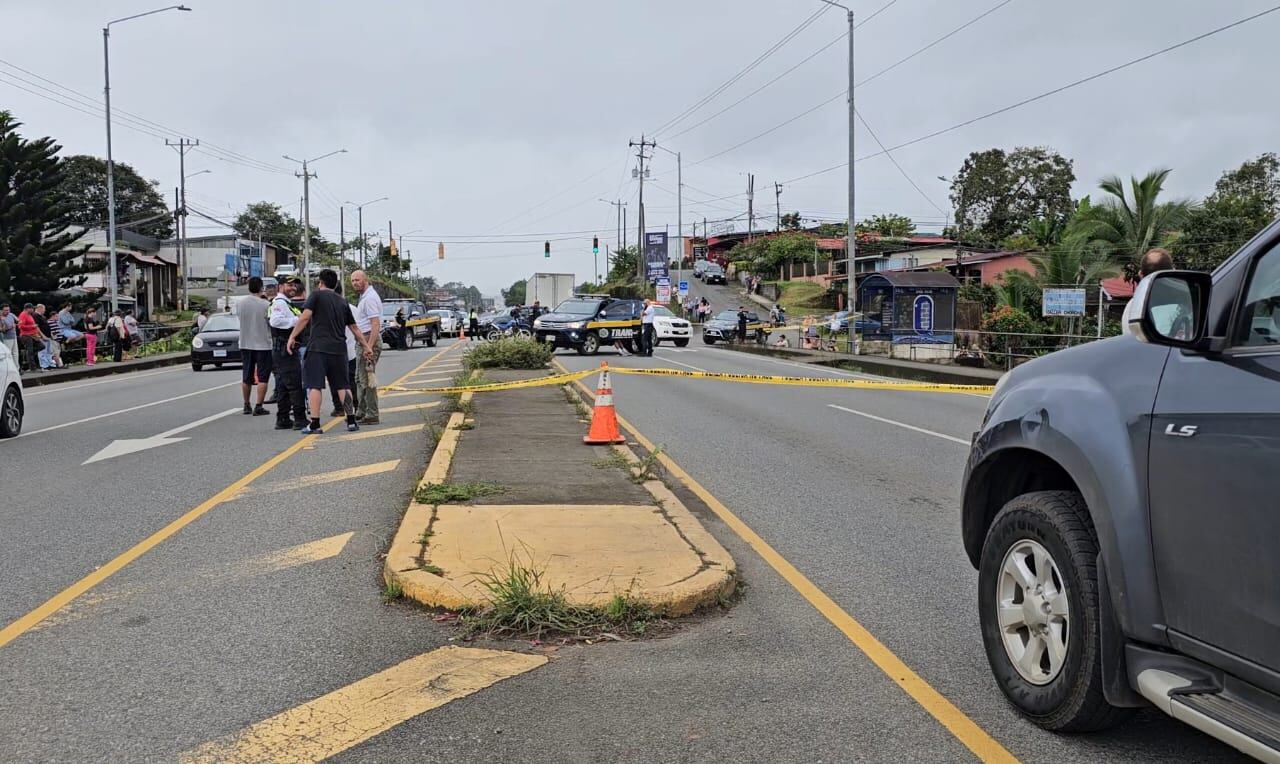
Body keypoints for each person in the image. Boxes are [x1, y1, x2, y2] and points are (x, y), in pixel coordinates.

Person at [286, 269, 374, 434]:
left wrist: (292, 336)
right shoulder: (342, 301)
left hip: (318, 348)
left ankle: (315, 424)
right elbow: (354, 327)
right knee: (343, 385)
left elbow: (305, 317)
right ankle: (351, 421)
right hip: (339, 350)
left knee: (314, 385)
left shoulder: (316, 296)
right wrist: (366, 346)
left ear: (320, 282)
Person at [268, 277, 307, 430]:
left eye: (295, 285)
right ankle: (299, 418)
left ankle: (283, 418)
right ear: (280, 286)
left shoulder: (286, 304)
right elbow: (275, 321)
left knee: (284, 385)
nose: (293, 288)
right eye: (289, 285)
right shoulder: (279, 303)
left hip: (285, 349)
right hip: (285, 349)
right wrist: (296, 321)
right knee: (295, 384)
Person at [235, 276, 273, 416]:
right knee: (263, 377)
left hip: (245, 342)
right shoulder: (265, 305)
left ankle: (246, 404)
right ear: (261, 288)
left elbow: (239, 317)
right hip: (263, 344)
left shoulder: (240, 303)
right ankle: (259, 405)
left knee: (247, 376)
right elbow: (271, 322)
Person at [350, 270, 383, 425]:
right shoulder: (365, 296)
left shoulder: (369, 298)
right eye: (353, 280)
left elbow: (375, 324)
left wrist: (368, 346)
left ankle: (372, 413)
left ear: (365, 279)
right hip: (363, 340)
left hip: (369, 339)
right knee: (359, 378)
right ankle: (361, 411)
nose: (355, 283)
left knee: (367, 380)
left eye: (357, 280)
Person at [17, 304, 41, 371]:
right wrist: (32, 326)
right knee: (30, 351)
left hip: (33, 335)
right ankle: (32, 367)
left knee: (41, 346)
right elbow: (20, 326)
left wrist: (36, 332)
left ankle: (29, 355)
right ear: (28, 308)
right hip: (26, 335)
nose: (33, 310)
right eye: (32, 308)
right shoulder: (23, 315)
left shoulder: (29, 315)